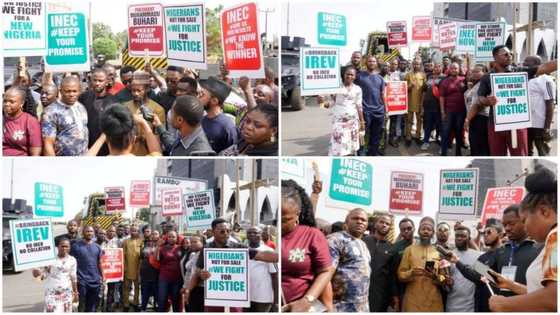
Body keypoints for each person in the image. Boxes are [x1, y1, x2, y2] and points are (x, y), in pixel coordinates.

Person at [488, 167, 557, 311]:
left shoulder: (555, 236)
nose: (525, 228)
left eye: (524, 220)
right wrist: (510, 285)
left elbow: (554, 298)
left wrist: (503, 304)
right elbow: (538, 292)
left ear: (544, 211)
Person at [477, 45, 557, 155]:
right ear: (495, 57)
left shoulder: (519, 71)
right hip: (495, 124)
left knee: (521, 155)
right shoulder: (487, 77)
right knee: (497, 156)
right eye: (505, 54)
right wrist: (487, 101)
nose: (509, 56)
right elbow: (480, 97)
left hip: (518, 124)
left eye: (511, 54)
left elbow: (545, 67)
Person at [190, 218, 279, 312]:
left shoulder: (238, 247)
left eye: (228, 231)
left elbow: (261, 255)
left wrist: (281, 256)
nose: (226, 234)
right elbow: (198, 269)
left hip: (235, 299)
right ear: (213, 232)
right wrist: (201, 273)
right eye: (222, 231)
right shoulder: (206, 248)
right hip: (214, 298)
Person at [281, 180, 335, 312]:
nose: (280, 225)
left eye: (285, 220)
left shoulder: (312, 235)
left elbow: (325, 271)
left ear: (297, 214)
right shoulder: (273, 236)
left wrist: (307, 300)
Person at [398, 216, 447, 311]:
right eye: (423, 229)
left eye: (429, 229)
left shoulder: (439, 252)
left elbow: (444, 278)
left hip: (434, 301)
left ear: (433, 233)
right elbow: (400, 274)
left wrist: (435, 276)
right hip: (413, 300)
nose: (425, 231)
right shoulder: (409, 250)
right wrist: (411, 273)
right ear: (418, 232)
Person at [327, 209, 371, 312]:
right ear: (346, 222)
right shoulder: (335, 240)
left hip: (361, 308)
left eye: (363, 220)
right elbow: (325, 276)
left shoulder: (363, 244)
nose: (359, 221)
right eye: (355, 218)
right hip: (340, 307)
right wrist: (328, 307)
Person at [87, 104, 162, 156]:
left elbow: (84, 161)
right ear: (133, 139)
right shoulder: (145, 164)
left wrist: (104, 135)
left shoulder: (96, 165)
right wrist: (144, 123)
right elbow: (156, 152)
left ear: (107, 139)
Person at [42, 76, 88, 156]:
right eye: (68, 91)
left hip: (83, 160)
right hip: (62, 162)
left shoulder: (81, 107)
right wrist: (53, 165)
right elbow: (48, 143)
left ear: (79, 91)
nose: (71, 94)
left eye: (74, 91)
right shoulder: (51, 111)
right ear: (61, 91)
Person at [123, 74, 165, 156]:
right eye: (133, 90)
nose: (136, 93)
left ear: (147, 89)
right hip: (129, 155)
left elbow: (160, 136)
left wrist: (144, 137)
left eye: (139, 90)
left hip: (150, 154)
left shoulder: (158, 109)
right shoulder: (124, 107)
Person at [32, 238, 78, 312]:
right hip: (51, 293)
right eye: (62, 246)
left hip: (66, 293)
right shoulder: (50, 260)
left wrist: (75, 292)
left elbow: (73, 277)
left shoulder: (72, 260)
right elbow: (41, 277)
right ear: (58, 247)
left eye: (67, 246)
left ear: (70, 247)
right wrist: (37, 273)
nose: (64, 248)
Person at [327, 67, 365, 156]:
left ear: (355, 77)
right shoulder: (337, 87)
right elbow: (332, 102)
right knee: (339, 145)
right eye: (347, 74)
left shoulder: (358, 89)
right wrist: (321, 102)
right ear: (344, 75)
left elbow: (359, 106)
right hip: (339, 122)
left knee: (351, 145)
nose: (349, 76)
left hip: (352, 122)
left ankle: (349, 161)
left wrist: (362, 121)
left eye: (352, 75)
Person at [364, 214, 398, 312]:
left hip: (380, 294)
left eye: (387, 224)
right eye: (381, 222)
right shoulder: (363, 241)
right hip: (359, 290)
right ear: (375, 224)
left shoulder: (391, 248)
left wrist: (394, 296)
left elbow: (392, 275)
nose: (384, 225)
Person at [79, 68, 116, 156]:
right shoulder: (83, 97)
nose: (97, 83)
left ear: (107, 82)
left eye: (100, 80)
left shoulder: (113, 101)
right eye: (95, 80)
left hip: (106, 148)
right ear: (91, 80)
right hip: (85, 147)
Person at [524, 56, 556, 156]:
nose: (524, 64)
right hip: (525, 123)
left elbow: (550, 103)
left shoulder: (546, 80)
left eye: (527, 62)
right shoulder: (525, 78)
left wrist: (546, 127)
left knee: (542, 151)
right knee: (527, 152)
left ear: (537, 64)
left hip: (539, 124)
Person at [354, 56, 386, 155]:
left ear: (376, 63)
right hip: (365, 111)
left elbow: (382, 94)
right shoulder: (359, 76)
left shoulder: (380, 78)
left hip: (379, 111)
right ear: (366, 63)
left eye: (373, 61)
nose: (371, 63)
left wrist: (386, 109)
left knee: (376, 134)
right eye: (369, 61)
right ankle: (362, 153)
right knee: (363, 134)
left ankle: (374, 153)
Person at [445, 226, 481, 312]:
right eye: (457, 236)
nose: (459, 238)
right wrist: (446, 281)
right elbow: (442, 277)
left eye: (463, 236)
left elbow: (483, 278)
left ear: (469, 238)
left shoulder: (477, 256)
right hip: (451, 305)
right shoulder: (448, 256)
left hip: (470, 307)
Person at [198, 76, 238, 153]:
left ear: (214, 101)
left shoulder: (227, 127)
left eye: (202, 94)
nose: (198, 97)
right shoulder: (200, 120)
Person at [70, 226, 103, 312]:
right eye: (87, 231)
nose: (89, 233)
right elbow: (71, 263)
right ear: (83, 233)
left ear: (94, 233)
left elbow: (99, 263)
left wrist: (103, 276)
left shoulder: (97, 247)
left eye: (91, 231)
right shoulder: (75, 246)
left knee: (92, 305)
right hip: (81, 281)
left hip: (95, 280)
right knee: (81, 304)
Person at [245, 226, 278, 312]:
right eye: (249, 233)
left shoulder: (269, 252)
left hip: (263, 297)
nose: (252, 234)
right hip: (245, 296)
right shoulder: (242, 250)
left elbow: (275, 276)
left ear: (261, 235)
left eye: (255, 233)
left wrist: (276, 301)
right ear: (246, 235)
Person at [3, 87, 42, 156]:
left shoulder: (30, 121)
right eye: (5, 101)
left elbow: (35, 152)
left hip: (19, 162)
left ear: (22, 103)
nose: (7, 104)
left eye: (11, 102)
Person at [439, 62, 467, 156]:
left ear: (459, 69)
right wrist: (442, 112)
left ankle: (458, 153)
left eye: (456, 68)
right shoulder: (445, 82)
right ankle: (443, 153)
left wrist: (467, 60)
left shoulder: (463, 80)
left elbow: (470, 74)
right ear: (449, 70)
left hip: (461, 111)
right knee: (446, 132)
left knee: (459, 132)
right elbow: (441, 97)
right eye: (452, 68)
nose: (454, 70)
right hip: (449, 111)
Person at [463, 64, 490, 156]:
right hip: (473, 117)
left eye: (477, 71)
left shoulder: (484, 85)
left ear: (485, 72)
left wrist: (468, 119)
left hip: (480, 117)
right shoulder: (475, 84)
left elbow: (478, 105)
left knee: (480, 143)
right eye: (473, 71)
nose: (474, 73)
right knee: (474, 141)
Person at [389, 218, 415, 310]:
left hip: (420, 290)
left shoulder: (422, 244)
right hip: (402, 291)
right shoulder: (396, 247)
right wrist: (395, 295)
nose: (406, 231)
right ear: (400, 231)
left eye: (409, 228)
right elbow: (392, 273)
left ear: (414, 228)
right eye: (403, 230)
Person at [156, 230, 183, 312]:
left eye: (173, 237)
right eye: (169, 237)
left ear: (177, 238)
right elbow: (157, 259)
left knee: (176, 300)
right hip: (164, 278)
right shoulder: (163, 248)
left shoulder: (181, 248)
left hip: (177, 279)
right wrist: (158, 247)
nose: (171, 238)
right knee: (162, 299)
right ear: (167, 238)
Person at [421, 62, 444, 151]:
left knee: (441, 127)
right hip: (428, 107)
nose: (436, 68)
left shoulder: (444, 78)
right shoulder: (429, 77)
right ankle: (426, 142)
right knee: (428, 125)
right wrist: (422, 105)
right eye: (435, 67)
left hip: (438, 107)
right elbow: (424, 92)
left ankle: (443, 146)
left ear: (441, 68)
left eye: (438, 67)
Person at [404, 59, 427, 146]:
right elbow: (403, 88)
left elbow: (425, 89)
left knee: (419, 120)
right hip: (409, 101)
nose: (416, 65)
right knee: (408, 120)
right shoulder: (408, 75)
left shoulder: (423, 75)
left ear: (420, 65)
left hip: (419, 102)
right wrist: (410, 86)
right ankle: (408, 137)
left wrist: (422, 103)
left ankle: (417, 136)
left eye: (418, 64)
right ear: (412, 65)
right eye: (415, 64)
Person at [122, 225, 143, 311]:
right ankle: (126, 304)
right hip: (127, 268)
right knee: (126, 287)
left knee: (137, 288)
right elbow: (122, 255)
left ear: (138, 232)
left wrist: (140, 268)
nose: (134, 232)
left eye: (136, 231)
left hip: (138, 268)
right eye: (132, 230)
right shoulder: (126, 241)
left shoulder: (141, 241)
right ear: (130, 231)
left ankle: (135, 303)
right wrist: (124, 267)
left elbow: (142, 256)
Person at [181, 235, 204, 312]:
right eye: (191, 242)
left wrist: (188, 289)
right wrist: (185, 286)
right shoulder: (193, 254)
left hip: (200, 289)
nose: (192, 244)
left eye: (195, 242)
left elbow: (197, 274)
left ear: (202, 243)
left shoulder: (205, 255)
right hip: (191, 289)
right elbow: (188, 273)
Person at [102, 225, 122, 312]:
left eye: (113, 231)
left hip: (112, 270)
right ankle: (101, 304)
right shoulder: (102, 241)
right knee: (101, 289)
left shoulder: (119, 242)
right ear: (107, 232)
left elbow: (120, 255)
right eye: (110, 231)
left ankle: (108, 306)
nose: (111, 233)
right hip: (102, 269)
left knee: (111, 289)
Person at [140, 229, 159, 311]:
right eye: (149, 240)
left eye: (152, 240)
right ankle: (143, 308)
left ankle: (156, 307)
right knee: (145, 293)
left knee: (156, 293)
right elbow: (141, 259)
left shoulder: (158, 248)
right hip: (145, 274)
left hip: (156, 274)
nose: (150, 241)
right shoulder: (144, 248)